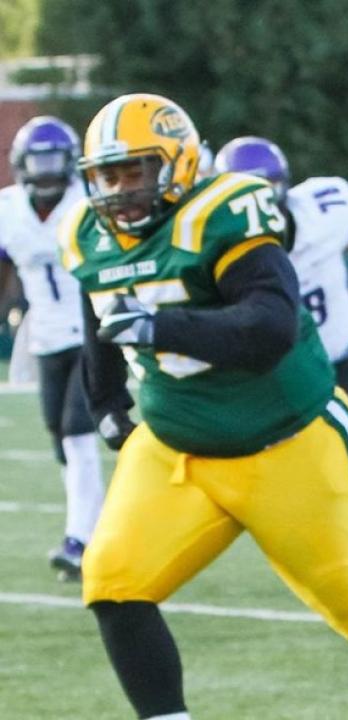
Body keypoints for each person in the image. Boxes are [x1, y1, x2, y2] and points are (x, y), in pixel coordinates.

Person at [60, 92, 348, 720]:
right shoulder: (88, 234)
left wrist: (159, 326)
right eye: (108, 176)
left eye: (134, 172)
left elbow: (268, 329)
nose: (120, 191)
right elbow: (98, 311)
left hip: (288, 440)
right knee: (113, 581)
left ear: (178, 164)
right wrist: (106, 400)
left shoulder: (224, 212)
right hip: (175, 445)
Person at [213, 136, 348, 533]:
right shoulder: (211, 244)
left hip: (343, 356)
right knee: (290, 477)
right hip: (281, 372)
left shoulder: (320, 213)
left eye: (263, 193)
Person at [0, 115, 104, 580]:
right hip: (44, 336)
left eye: (53, 162)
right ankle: (91, 526)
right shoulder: (9, 210)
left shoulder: (90, 203)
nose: (45, 174)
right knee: (60, 437)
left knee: (78, 431)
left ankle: (80, 540)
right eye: (37, 163)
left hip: (92, 332)